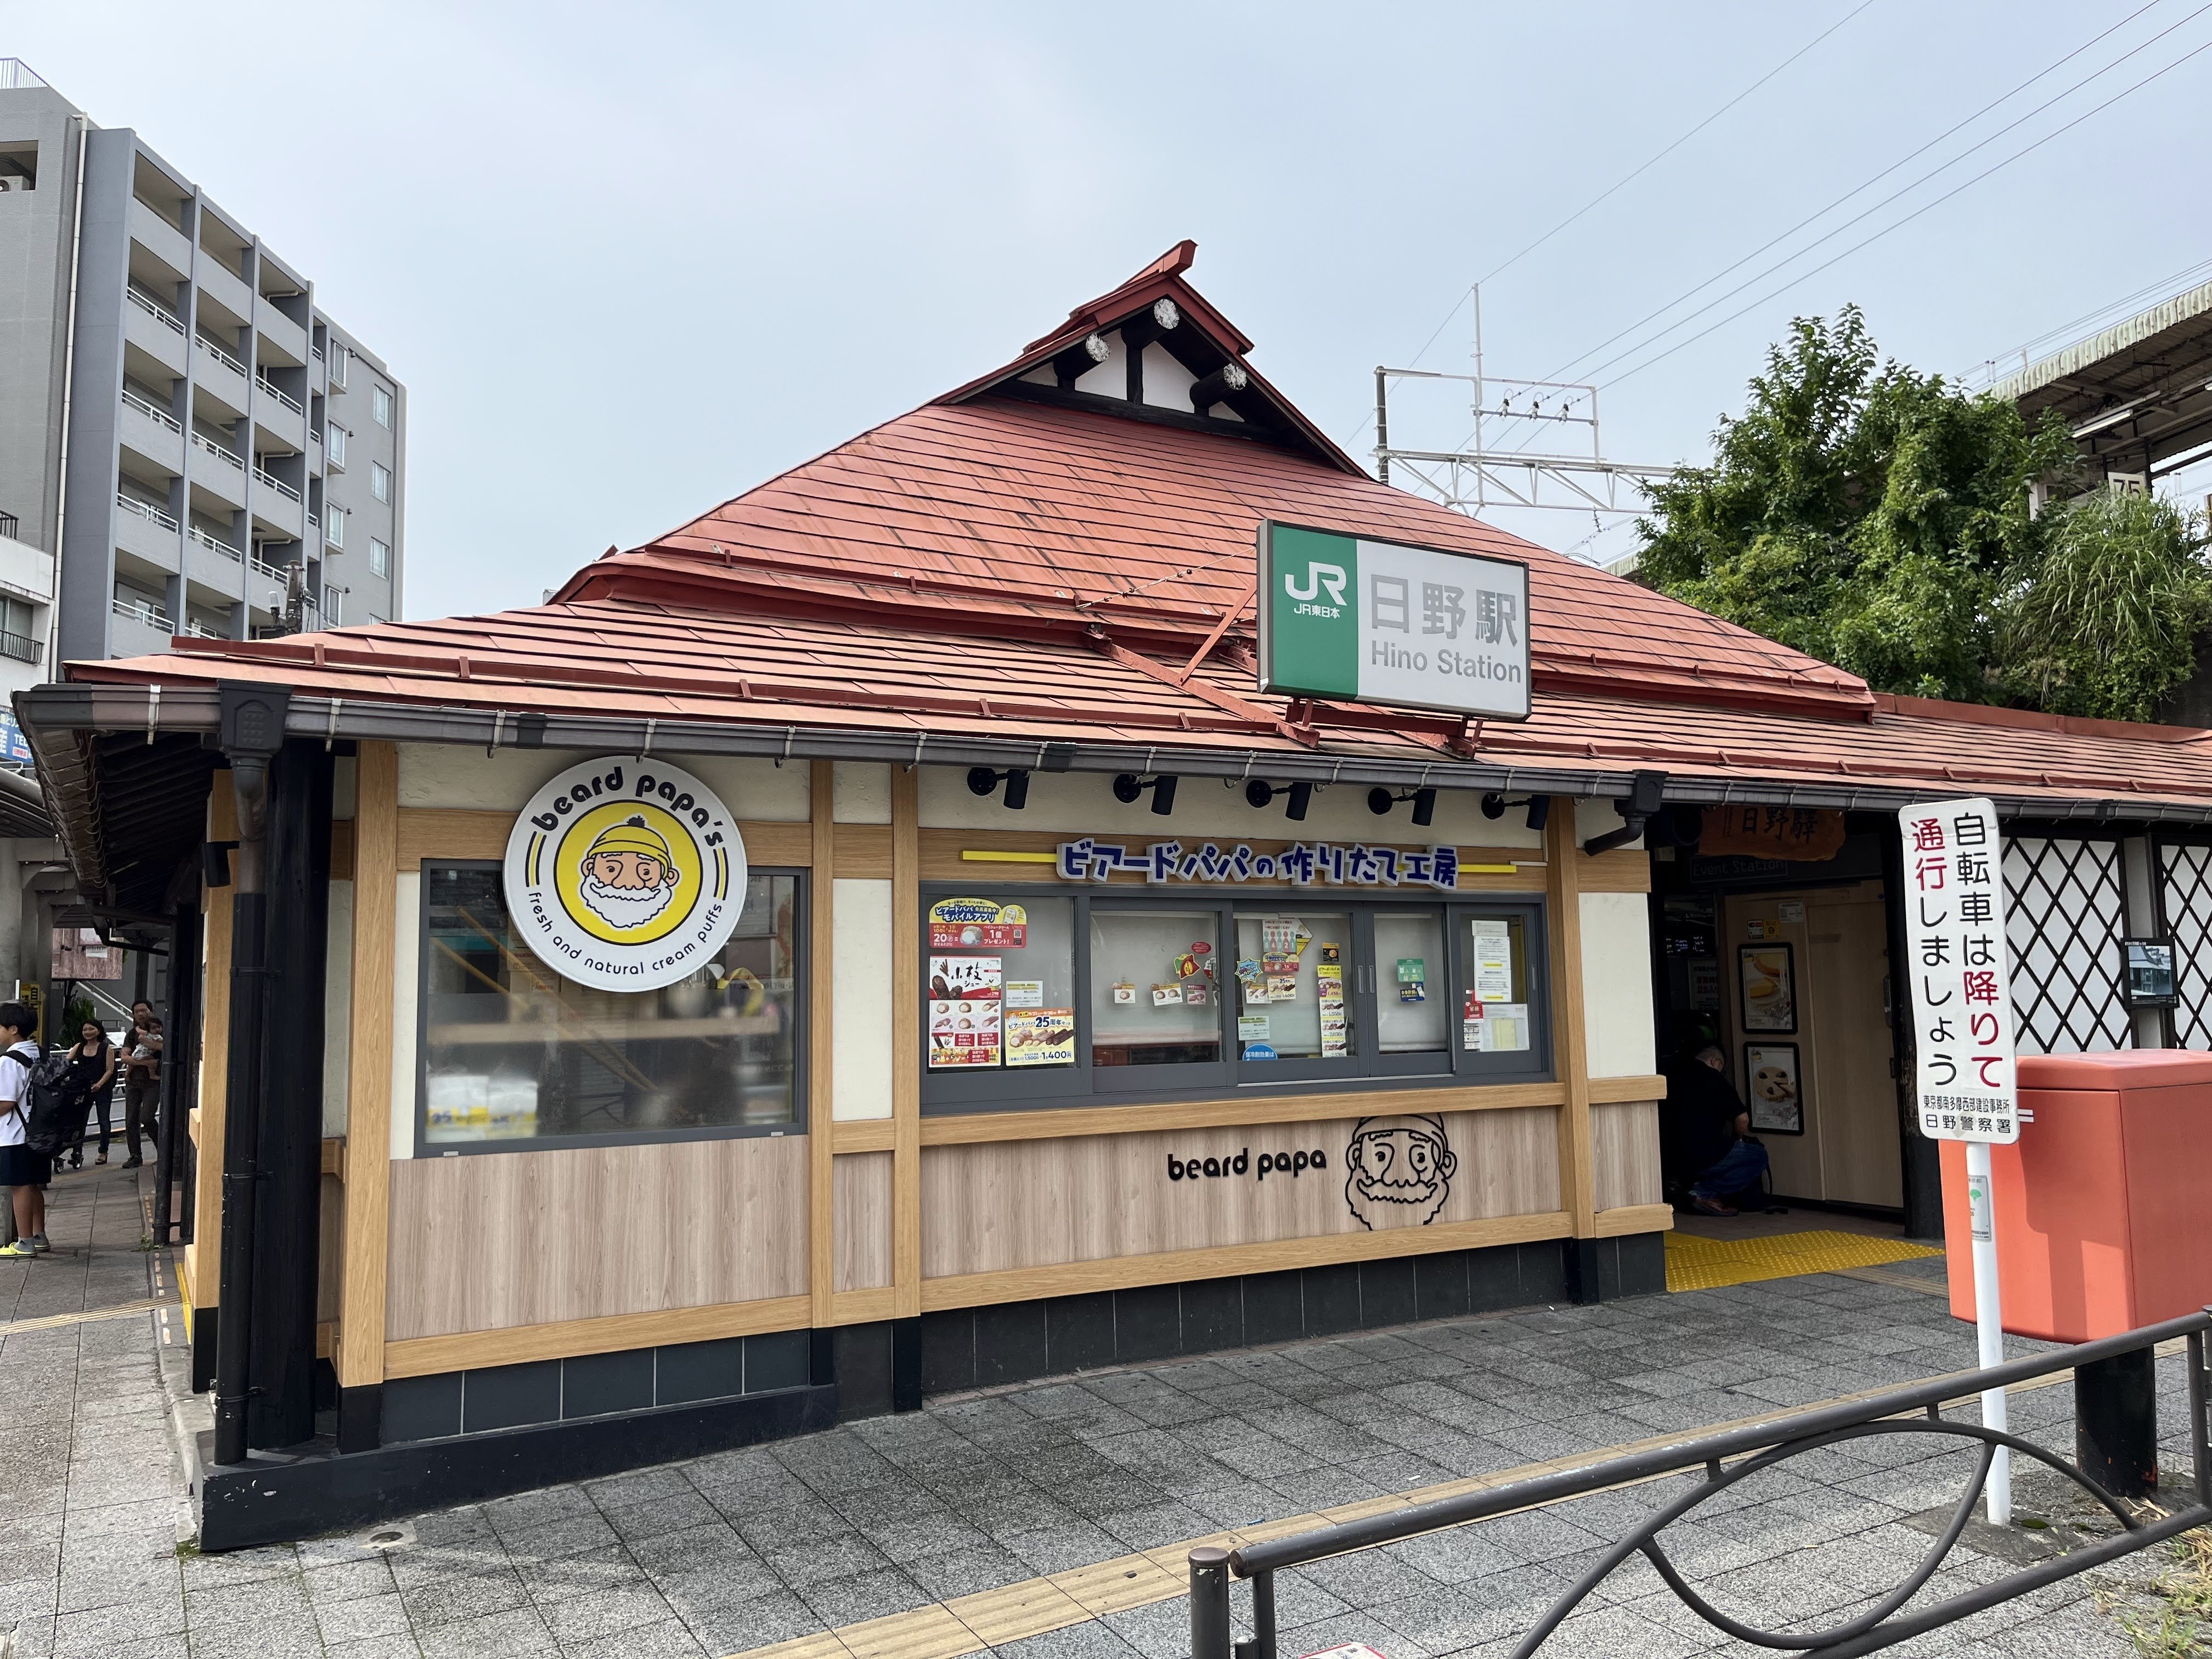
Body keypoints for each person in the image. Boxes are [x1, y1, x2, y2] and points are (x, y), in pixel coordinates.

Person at [1660, 1042, 1770, 1217]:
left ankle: (1683, 1187)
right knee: (1757, 1156)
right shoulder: (1713, 1077)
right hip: (1704, 1154)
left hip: (1667, 1157)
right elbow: (1742, 1119)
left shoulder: (1669, 1075)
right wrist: (1739, 1138)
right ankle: (1702, 1193)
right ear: (1715, 1061)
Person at [0, 1002, 48, 1256]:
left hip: (16, 1133)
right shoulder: (39, 1053)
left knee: (19, 1186)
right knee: (34, 1185)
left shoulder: (9, 1061)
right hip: (39, 1130)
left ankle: (25, 1241)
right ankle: (39, 1235)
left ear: (13, 1029)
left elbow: (5, 1103)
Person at [63, 1020, 116, 1170]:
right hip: (82, 1089)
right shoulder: (79, 1047)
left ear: (98, 1031)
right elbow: (66, 1062)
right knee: (80, 1122)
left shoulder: (107, 1048)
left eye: (91, 1029)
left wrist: (99, 1084)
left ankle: (103, 1152)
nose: (87, 1032)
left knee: (104, 1121)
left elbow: (110, 1070)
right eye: (84, 1029)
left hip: (102, 1089)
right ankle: (77, 1151)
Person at [121, 1002, 162, 1169]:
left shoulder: (159, 1028)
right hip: (133, 1083)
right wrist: (146, 1063)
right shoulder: (132, 1034)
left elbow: (164, 1047)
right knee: (131, 1119)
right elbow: (124, 1057)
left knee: (147, 1117)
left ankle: (163, 1151)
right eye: (137, 1011)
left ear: (151, 1011)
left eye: (144, 1010)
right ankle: (135, 1155)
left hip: (154, 1082)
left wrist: (145, 1041)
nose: (141, 1014)